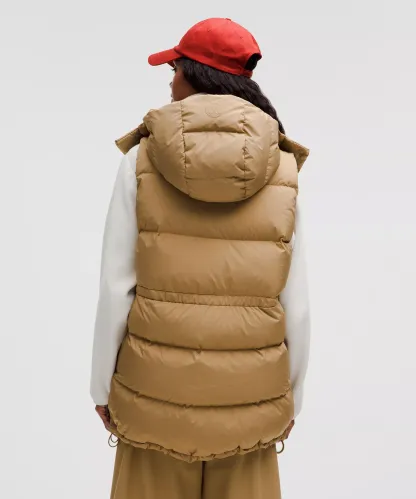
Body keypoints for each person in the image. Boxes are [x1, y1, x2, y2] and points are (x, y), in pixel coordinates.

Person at [90, 17, 310, 499]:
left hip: (152, 402)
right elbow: (295, 303)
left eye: (174, 69)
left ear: (196, 74)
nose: (170, 82)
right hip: (250, 404)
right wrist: (289, 400)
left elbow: (115, 288)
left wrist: (102, 388)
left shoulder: (139, 161)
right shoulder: (282, 167)